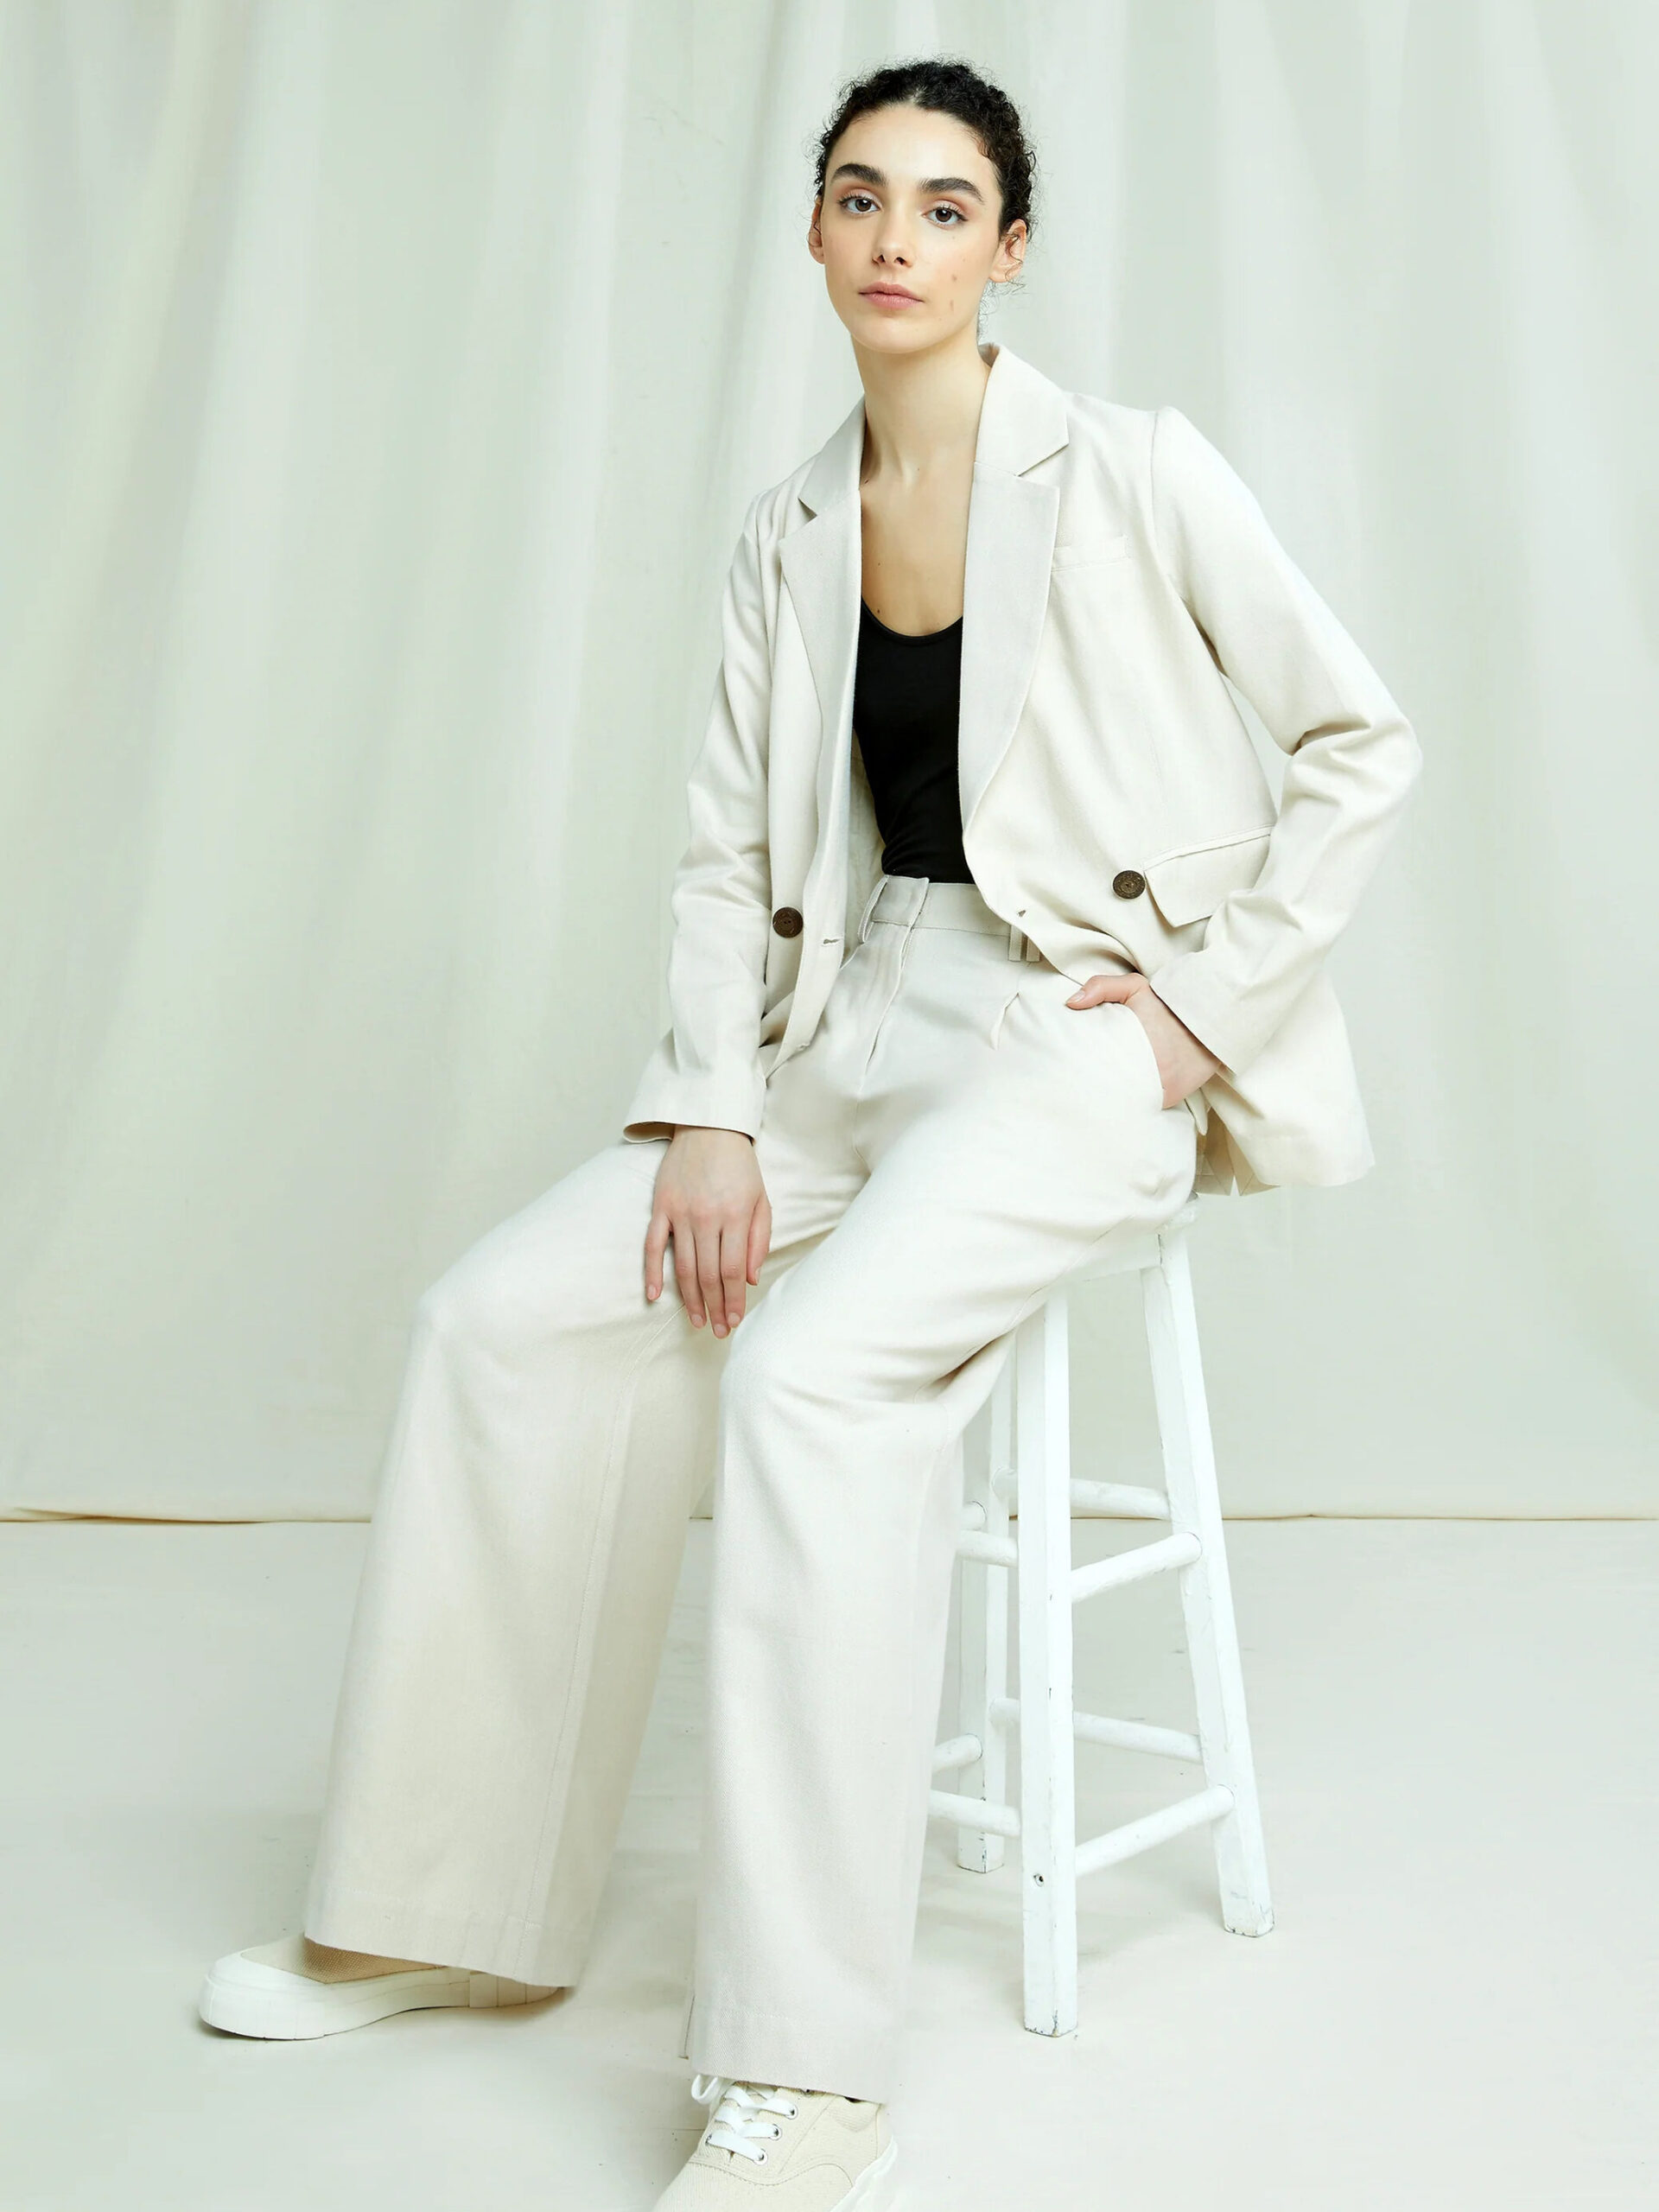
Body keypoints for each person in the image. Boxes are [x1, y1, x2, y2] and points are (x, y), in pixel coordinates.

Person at [198, 56, 1421, 2211]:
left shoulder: (1136, 469)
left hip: (1068, 1036)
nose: (894, 237)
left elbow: (1359, 736)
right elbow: (720, 858)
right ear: (815, 233)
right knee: (499, 1320)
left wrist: (1200, 1012)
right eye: (859, 196)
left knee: (813, 1378)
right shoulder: (788, 530)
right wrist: (708, 1109)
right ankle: (445, 1909)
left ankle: (805, 2073)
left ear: (1009, 249)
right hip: (854, 1017)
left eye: (943, 206)